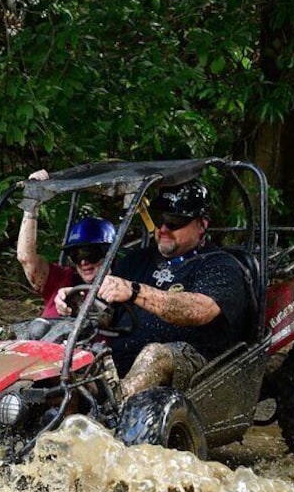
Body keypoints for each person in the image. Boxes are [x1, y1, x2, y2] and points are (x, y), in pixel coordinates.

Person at [54, 180, 250, 398]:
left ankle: (117, 406)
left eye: (174, 222)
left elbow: (200, 310)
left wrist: (136, 291)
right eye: (159, 220)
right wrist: (77, 303)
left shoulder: (219, 265)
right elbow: (108, 314)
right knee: (67, 352)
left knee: (155, 355)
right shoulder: (136, 260)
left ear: (202, 224)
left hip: (193, 365)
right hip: (122, 359)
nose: (163, 229)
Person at [17, 169, 115, 318]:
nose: (83, 261)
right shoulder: (63, 279)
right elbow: (26, 258)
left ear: (108, 252)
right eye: (75, 255)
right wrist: (31, 205)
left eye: (91, 254)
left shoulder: (121, 289)